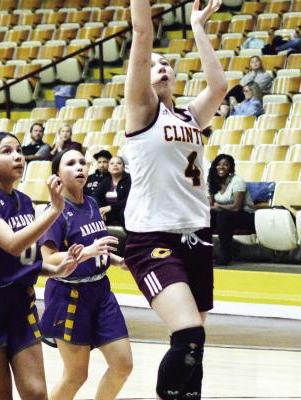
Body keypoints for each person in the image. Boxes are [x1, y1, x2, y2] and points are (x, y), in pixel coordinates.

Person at [123, 0, 227, 399]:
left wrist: (198, 27)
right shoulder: (142, 110)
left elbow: (218, 87)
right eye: (153, 64)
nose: (160, 67)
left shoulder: (188, 117)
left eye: (167, 63)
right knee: (188, 334)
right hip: (154, 239)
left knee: (194, 344)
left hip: (196, 236)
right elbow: (143, 33)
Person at [0, 132, 82, 400]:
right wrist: (54, 211)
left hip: (20, 305)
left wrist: (54, 270)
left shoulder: (24, 201)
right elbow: (12, 244)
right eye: (7, 151)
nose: (18, 156)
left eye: (19, 150)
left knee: (36, 394)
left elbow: (24, 257)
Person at [39, 148, 133, 400]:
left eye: (82, 162)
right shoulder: (55, 212)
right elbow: (49, 259)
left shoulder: (91, 202)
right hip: (68, 295)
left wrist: (114, 260)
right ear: (57, 174)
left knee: (123, 365)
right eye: (71, 163)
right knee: (76, 376)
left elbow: (96, 247)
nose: (80, 167)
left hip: (100, 291)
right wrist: (88, 253)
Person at [207, 154, 255, 266]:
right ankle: (204, 252)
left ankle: (225, 255)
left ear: (231, 168)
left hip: (246, 216)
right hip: (225, 215)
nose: (221, 167)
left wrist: (219, 206)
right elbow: (210, 205)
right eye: (218, 164)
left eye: (225, 165)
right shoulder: (213, 182)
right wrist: (214, 207)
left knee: (223, 216)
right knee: (208, 215)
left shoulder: (237, 181)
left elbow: (236, 207)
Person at [94, 156, 131, 227]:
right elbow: (97, 196)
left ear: (123, 167)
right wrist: (100, 210)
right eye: (112, 163)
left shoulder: (129, 179)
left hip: (124, 213)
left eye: (119, 163)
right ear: (108, 168)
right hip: (109, 214)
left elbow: (130, 199)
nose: (115, 165)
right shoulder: (106, 181)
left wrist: (110, 207)